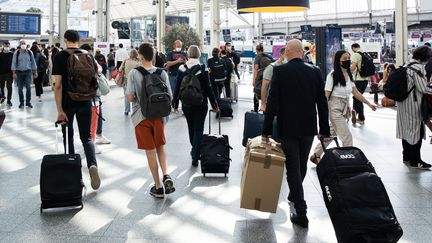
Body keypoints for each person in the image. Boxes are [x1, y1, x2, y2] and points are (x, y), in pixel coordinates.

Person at [262, 39, 330, 228]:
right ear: (301, 52)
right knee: (300, 164)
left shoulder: (280, 71)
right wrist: (324, 129)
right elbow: (322, 103)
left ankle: (301, 211)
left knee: (293, 166)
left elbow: (272, 102)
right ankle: (295, 193)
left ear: (288, 52)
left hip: (288, 128)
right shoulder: (315, 71)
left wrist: (266, 130)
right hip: (309, 127)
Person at [52, 29, 101, 190]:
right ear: (78, 40)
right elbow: (98, 72)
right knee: (86, 137)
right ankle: (92, 165)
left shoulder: (59, 56)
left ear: (65, 40)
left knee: (69, 137)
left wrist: (59, 109)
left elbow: (58, 85)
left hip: (67, 102)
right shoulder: (88, 55)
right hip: (86, 101)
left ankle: (75, 176)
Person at [126, 43, 175, 198]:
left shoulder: (134, 73)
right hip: (159, 116)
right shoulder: (162, 73)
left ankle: (158, 186)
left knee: (150, 150)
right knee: (160, 146)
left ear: (140, 56)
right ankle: (166, 174)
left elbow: (130, 97)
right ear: (153, 56)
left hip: (141, 117)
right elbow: (170, 97)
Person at [310, 50, 377, 164]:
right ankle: (349, 161)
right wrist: (321, 113)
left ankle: (316, 154)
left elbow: (355, 93)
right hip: (335, 107)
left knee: (332, 133)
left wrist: (369, 104)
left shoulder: (349, 74)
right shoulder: (332, 75)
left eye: (348, 58)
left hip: (345, 106)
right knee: (347, 136)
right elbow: (326, 95)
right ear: (339, 61)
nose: (348, 61)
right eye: (345, 59)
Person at [173, 45, 219, 167]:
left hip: (186, 104)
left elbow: (177, 88)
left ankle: (194, 150)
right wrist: (214, 104)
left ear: (188, 54)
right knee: (199, 129)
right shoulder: (203, 68)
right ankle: (195, 154)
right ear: (199, 55)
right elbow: (208, 88)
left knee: (191, 128)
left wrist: (175, 104)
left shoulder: (181, 68)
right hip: (201, 103)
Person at [397, 46, 432, 169]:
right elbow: (422, 88)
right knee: (417, 130)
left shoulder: (407, 64)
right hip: (414, 103)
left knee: (405, 129)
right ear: (426, 57)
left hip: (402, 102)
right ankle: (416, 160)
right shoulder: (418, 68)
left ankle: (406, 156)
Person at [11, 40, 38, 109]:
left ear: (26, 44)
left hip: (28, 72)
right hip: (19, 72)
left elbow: (33, 62)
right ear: (19, 45)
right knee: (20, 89)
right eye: (22, 43)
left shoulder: (29, 52)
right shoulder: (16, 53)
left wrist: (35, 71)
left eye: (24, 43)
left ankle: (28, 102)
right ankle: (21, 103)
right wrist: (13, 73)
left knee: (28, 88)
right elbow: (13, 63)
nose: (23, 44)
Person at [260, 47, 287, 112]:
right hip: (272, 103)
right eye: (287, 55)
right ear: (281, 55)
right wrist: (263, 104)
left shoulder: (287, 68)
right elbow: (264, 87)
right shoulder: (272, 67)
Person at [350, 43, 371, 125]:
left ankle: (361, 117)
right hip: (366, 79)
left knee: (358, 97)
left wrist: (347, 69)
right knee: (358, 97)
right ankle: (355, 110)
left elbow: (353, 68)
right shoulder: (366, 54)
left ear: (353, 48)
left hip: (358, 79)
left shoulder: (356, 55)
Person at [120, 49, 141, 116]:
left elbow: (120, 69)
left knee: (127, 95)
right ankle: (135, 109)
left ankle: (126, 110)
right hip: (135, 80)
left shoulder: (125, 61)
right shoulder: (137, 63)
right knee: (135, 95)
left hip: (126, 80)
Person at [253, 43, 273, 112]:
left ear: (256, 50)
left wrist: (254, 81)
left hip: (260, 78)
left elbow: (256, 70)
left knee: (256, 93)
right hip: (269, 77)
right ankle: (266, 108)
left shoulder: (257, 57)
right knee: (267, 93)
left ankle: (256, 110)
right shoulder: (269, 56)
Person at [0, 41, 14, 106]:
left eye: (8, 46)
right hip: (1, 73)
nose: (7, 47)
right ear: (3, 46)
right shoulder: (0, 54)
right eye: (6, 46)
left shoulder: (12, 54)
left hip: (9, 73)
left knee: (9, 87)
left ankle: (9, 100)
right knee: (1, 87)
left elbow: (14, 64)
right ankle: (3, 97)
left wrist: (14, 73)